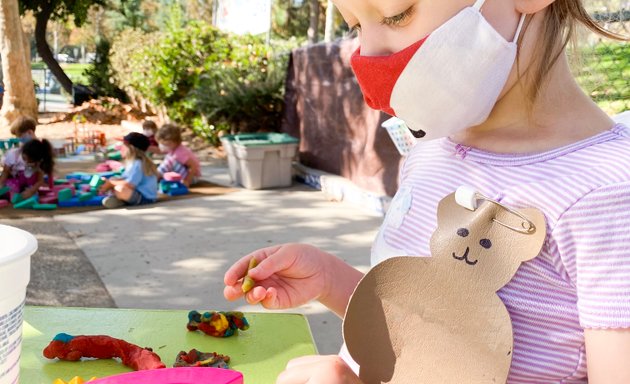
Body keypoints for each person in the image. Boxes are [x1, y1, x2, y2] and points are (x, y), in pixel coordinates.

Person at [223, 0, 630, 382]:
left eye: (397, 15)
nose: (370, 55)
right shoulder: (431, 150)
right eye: (356, 26)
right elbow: (423, 327)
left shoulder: (608, 196)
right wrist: (330, 279)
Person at [99, 132, 158, 209]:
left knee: (120, 189)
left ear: (131, 148)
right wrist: (111, 181)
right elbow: (125, 178)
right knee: (113, 180)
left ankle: (121, 200)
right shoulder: (132, 162)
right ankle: (120, 200)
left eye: (123, 146)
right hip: (136, 192)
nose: (121, 148)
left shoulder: (138, 163)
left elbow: (130, 184)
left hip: (145, 197)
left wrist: (111, 184)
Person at [0, 117, 44, 198]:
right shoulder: (17, 152)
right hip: (17, 180)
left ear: (30, 132)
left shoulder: (39, 151)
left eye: (20, 136)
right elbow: (6, 171)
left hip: (31, 183)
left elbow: (40, 178)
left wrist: (32, 190)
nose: (18, 139)